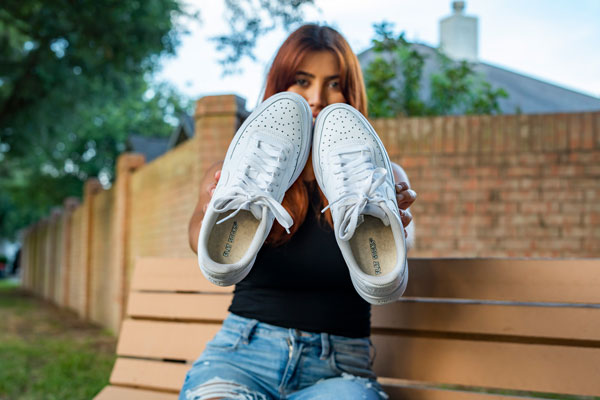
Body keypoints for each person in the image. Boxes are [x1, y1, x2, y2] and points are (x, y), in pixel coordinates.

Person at [183, 24, 417, 400]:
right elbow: (198, 239)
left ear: (350, 92)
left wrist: (398, 229)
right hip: (241, 355)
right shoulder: (232, 171)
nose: (317, 98)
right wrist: (219, 203)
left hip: (339, 370)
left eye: (334, 84)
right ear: (279, 86)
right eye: (302, 81)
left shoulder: (384, 178)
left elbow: (401, 256)